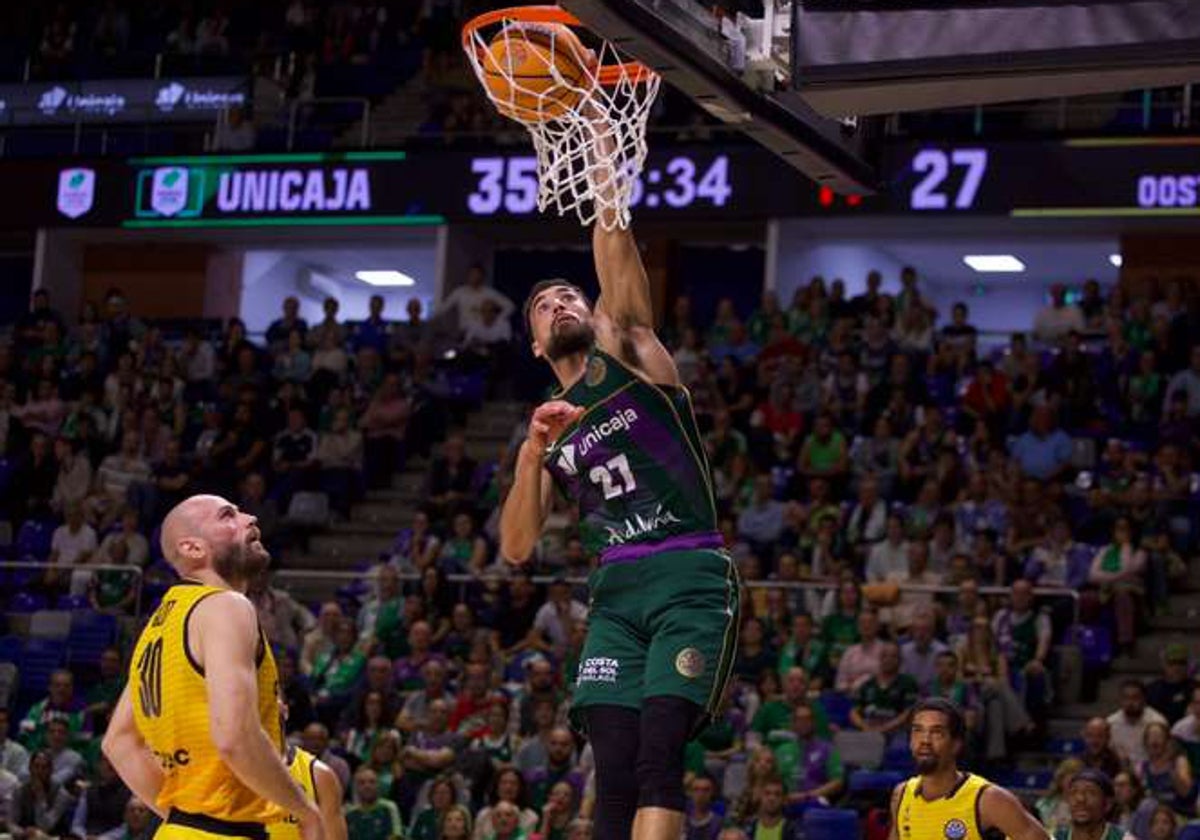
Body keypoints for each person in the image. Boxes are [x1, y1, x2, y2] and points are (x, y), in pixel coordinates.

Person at [500, 198, 740, 840]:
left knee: (658, 757)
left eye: (570, 296)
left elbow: (613, 243)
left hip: (686, 575)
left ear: (594, 314)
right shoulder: (547, 426)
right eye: (544, 305)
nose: (559, 305)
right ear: (535, 344)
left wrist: (605, 175)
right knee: (612, 773)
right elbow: (517, 547)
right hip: (614, 598)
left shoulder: (631, 354)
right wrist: (531, 452)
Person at [100, 495, 325, 840]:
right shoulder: (226, 606)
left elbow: (119, 742)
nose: (250, 518)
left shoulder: (161, 622)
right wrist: (305, 812)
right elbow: (234, 735)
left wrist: (187, 819)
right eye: (227, 516)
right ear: (192, 548)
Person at [888, 698, 1050, 840]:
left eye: (937, 732)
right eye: (918, 731)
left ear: (956, 744)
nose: (925, 740)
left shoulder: (989, 799)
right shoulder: (901, 795)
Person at [1052, 769, 1136, 840]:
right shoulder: (1056, 837)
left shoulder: (1123, 838)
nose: (1080, 799)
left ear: (1108, 804)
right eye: (1074, 792)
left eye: (1090, 792)